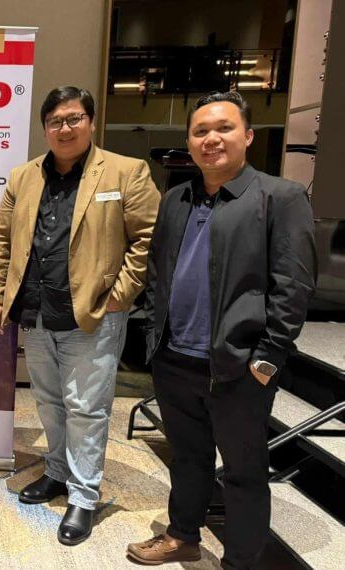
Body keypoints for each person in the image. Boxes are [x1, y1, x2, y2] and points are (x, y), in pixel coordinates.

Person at [126, 91, 316, 568]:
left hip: (238, 365)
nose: (211, 139)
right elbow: (158, 272)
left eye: (224, 128)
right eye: (200, 131)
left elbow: (292, 286)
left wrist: (267, 359)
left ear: (248, 136)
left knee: (243, 472)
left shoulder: (280, 198)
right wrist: (154, 335)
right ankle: (182, 535)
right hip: (174, 358)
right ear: (190, 142)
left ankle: (241, 561)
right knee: (187, 458)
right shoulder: (176, 199)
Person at [0, 86, 159, 545]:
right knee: (48, 400)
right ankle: (58, 473)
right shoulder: (23, 177)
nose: (65, 128)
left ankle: (83, 496)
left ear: (91, 121)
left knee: (87, 408)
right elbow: (1, 240)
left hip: (95, 315)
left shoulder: (126, 171)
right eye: (56, 121)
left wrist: (120, 295)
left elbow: (147, 239)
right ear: (45, 127)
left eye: (74, 118)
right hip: (37, 312)